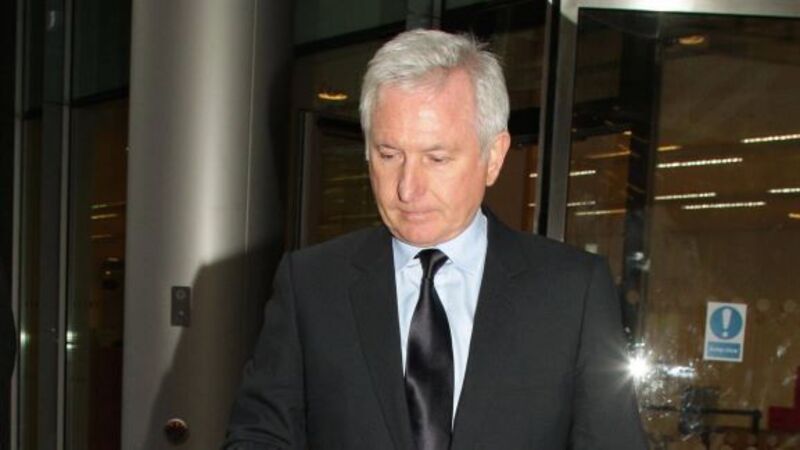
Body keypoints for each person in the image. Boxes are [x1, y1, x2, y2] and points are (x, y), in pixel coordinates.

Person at [224, 29, 647, 449]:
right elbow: (258, 437)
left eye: (437, 158)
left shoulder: (572, 292)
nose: (407, 188)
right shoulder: (311, 284)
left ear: (493, 156)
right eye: (389, 155)